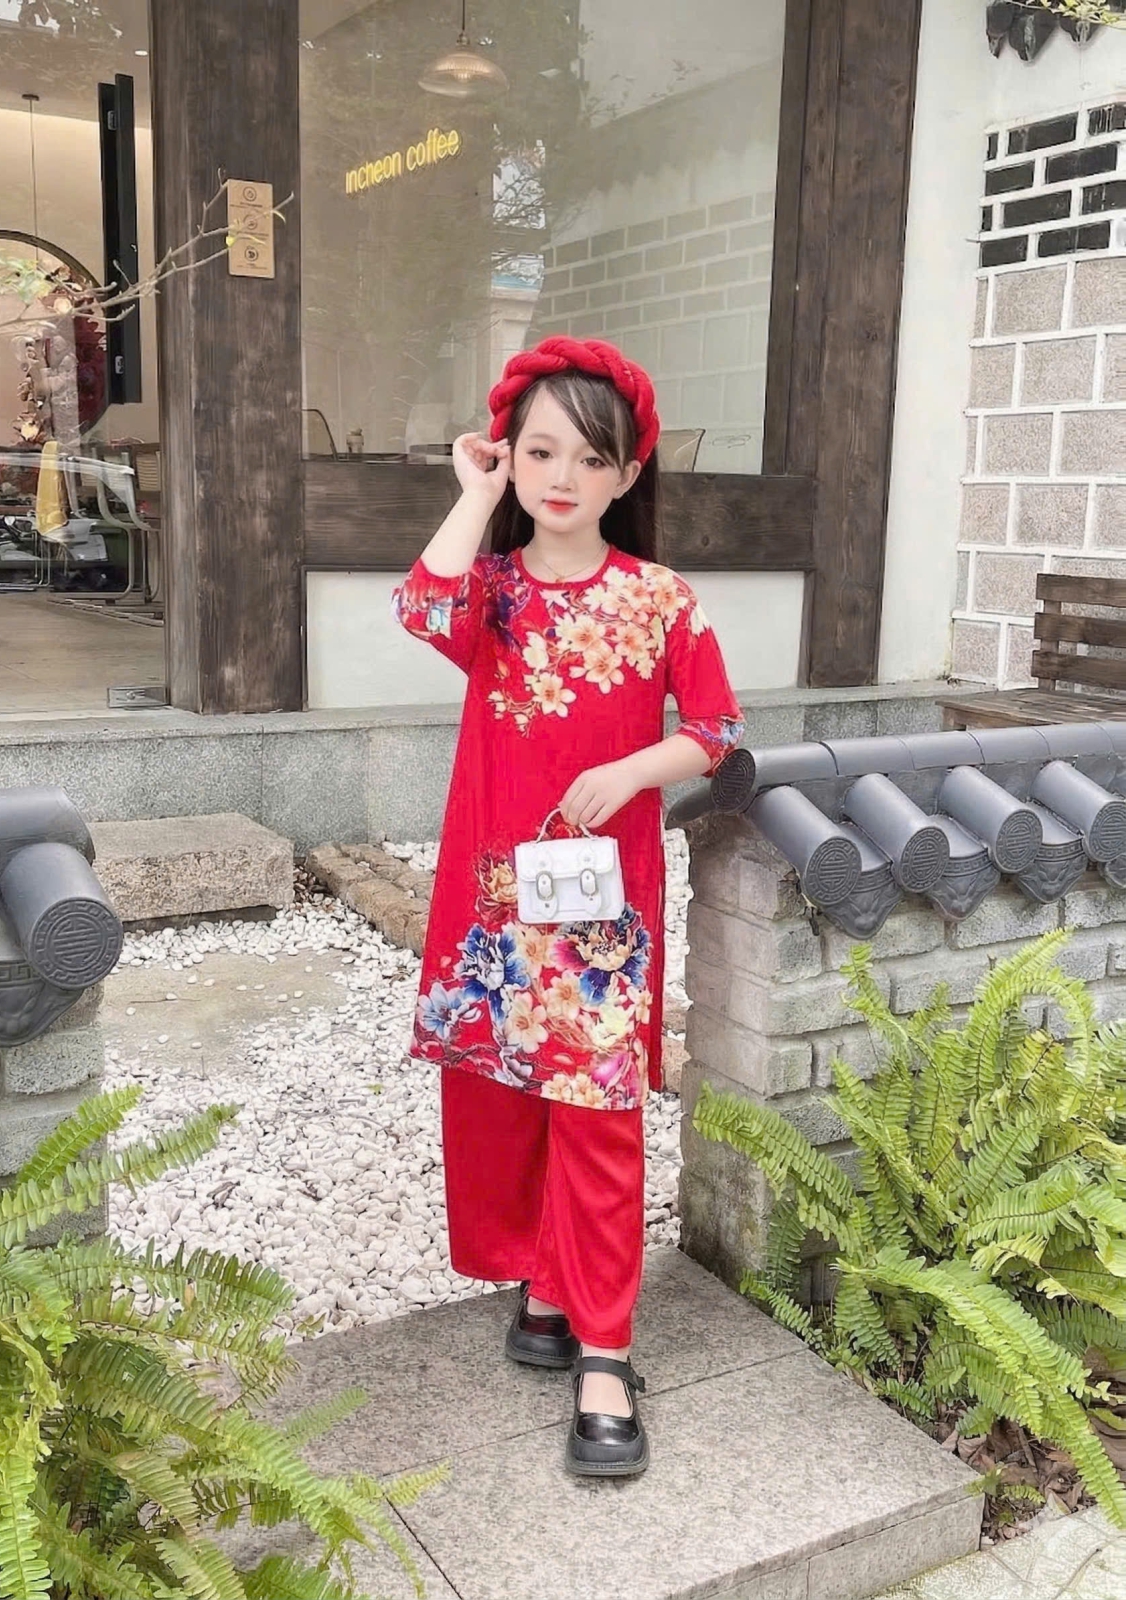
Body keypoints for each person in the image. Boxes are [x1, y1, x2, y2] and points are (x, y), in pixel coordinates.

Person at [390, 335, 745, 1477]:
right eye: (538, 452)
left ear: (627, 473)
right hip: (496, 899)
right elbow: (421, 605)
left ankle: (604, 1350)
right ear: (510, 456)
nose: (562, 477)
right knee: (506, 1095)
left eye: (590, 458)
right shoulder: (491, 592)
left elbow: (716, 730)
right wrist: (473, 492)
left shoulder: (659, 598)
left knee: (597, 1112)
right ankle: (542, 1282)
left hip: (600, 909)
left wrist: (635, 770)